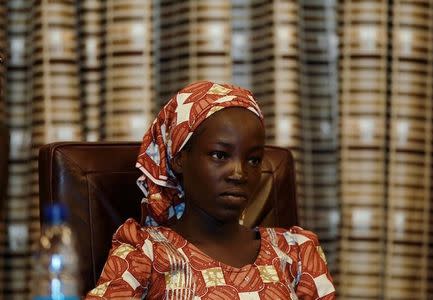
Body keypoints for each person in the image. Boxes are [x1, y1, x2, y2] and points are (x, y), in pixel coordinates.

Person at [86, 81, 335, 299]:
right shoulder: (145, 254)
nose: (239, 173)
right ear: (180, 158)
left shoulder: (297, 253)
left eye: (254, 160)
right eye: (220, 155)